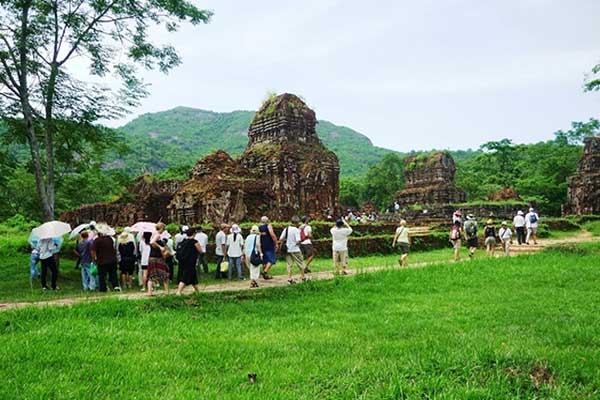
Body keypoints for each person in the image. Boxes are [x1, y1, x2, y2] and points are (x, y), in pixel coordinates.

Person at [91, 227, 120, 292]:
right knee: (113, 274)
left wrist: (94, 258)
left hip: (102, 261)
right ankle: (116, 286)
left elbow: (93, 251)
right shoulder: (110, 239)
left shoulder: (97, 240)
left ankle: (103, 288)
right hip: (112, 260)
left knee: (102, 275)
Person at [175, 227, 204, 295]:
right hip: (191, 261)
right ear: (194, 233)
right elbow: (200, 251)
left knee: (192, 276)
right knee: (186, 276)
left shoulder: (183, 241)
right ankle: (179, 291)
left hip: (183, 261)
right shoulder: (194, 242)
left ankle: (197, 291)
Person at [280, 216, 306, 284]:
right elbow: (298, 241)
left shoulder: (286, 229)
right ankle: (303, 277)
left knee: (289, 264)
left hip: (288, 249)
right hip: (295, 249)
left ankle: (289, 278)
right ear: (297, 222)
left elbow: (281, 238)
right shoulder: (296, 230)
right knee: (300, 262)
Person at [147, 229, 170, 296]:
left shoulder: (153, 237)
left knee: (151, 275)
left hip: (151, 257)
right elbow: (152, 242)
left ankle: (149, 292)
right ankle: (166, 291)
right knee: (164, 274)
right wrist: (160, 247)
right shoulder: (157, 237)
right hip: (158, 258)